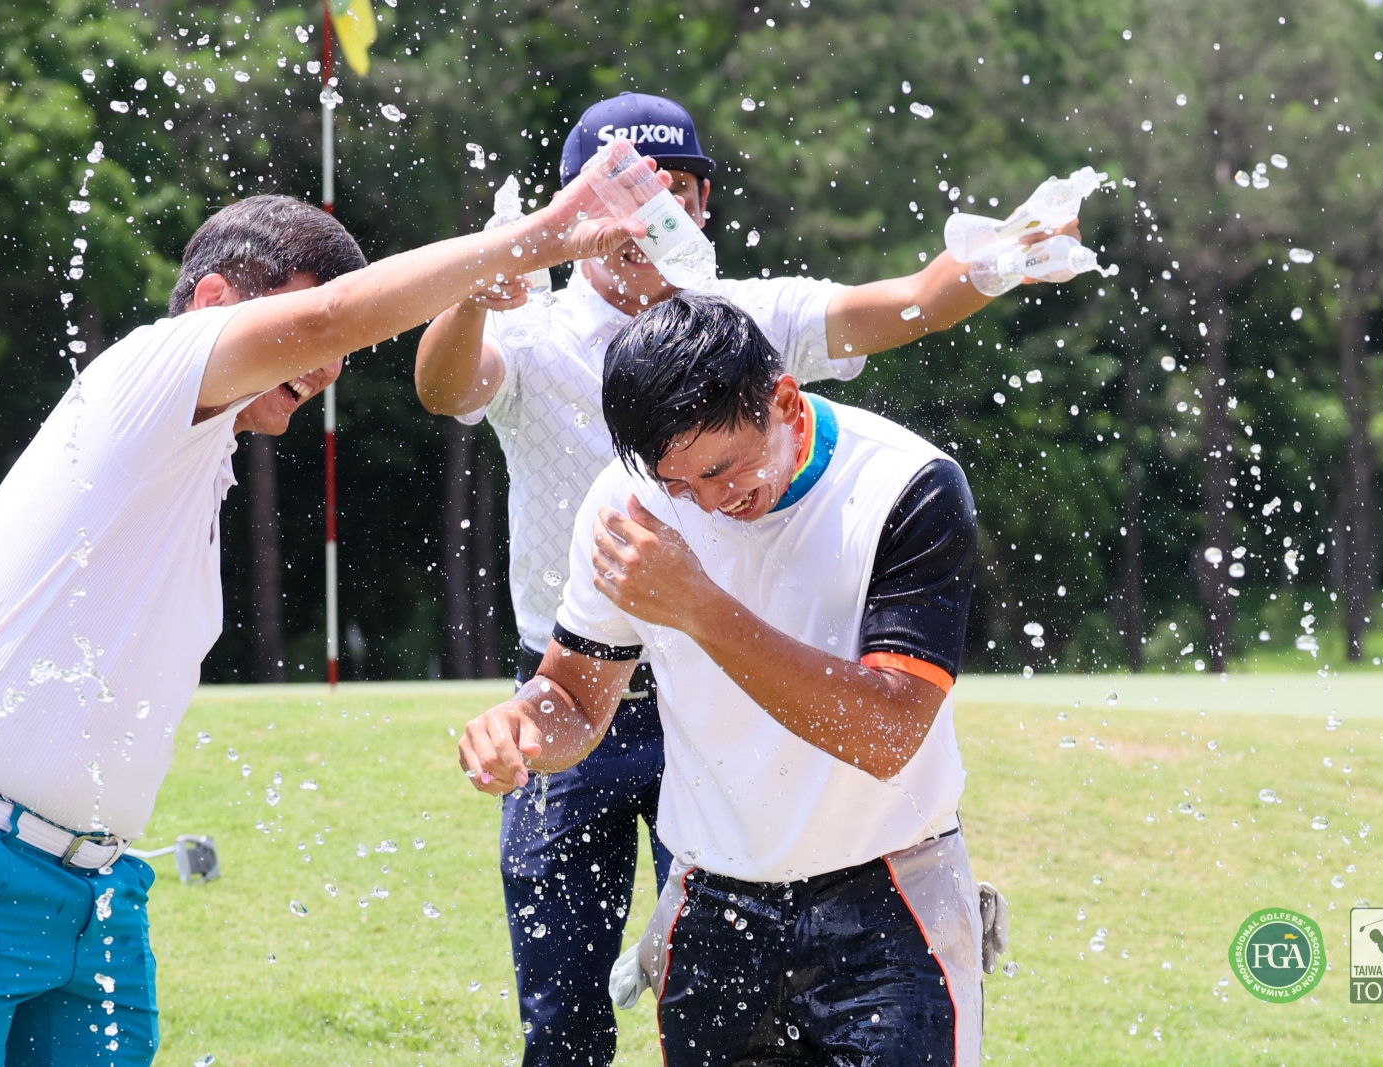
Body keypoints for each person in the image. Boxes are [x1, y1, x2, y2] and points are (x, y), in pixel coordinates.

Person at [0, 182, 659, 1066]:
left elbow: (325, 324)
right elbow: (330, 319)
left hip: (95, 887)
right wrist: (541, 237)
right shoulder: (147, 371)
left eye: (340, 354)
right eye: (315, 336)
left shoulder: (192, 453)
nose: (330, 370)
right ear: (214, 304)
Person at [415, 91, 1073, 1067]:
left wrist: (1004, 251)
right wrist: (527, 721)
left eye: (665, 193)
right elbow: (443, 392)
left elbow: (914, 303)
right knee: (561, 1007)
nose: (697, 500)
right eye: (615, 197)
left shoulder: (771, 337)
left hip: (844, 818)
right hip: (601, 673)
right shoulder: (578, 404)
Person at [459, 292, 987, 1066]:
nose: (709, 503)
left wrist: (699, 607)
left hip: (892, 895)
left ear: (782, 398)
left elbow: (886, 733)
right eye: (680, 485)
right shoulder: (629, 504)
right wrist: (521, 726)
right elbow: (574, 696)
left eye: (722, 468)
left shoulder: (907, 485)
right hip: (714, 903)